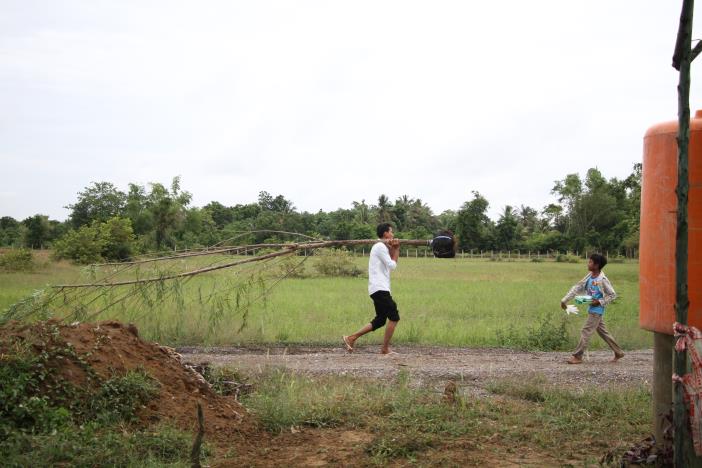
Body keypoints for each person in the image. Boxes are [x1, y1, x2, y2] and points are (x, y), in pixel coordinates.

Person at [343, 223, 401, 355]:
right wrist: (397, 250)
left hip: (378, 288)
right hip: (380, 288)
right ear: (385, 233)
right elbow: (392, 265)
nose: (392, 234)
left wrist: (393, 247)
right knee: (394, 316)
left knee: (380, 320)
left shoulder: (382, 247)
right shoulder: (380, 246)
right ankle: (385, 349)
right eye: (391, 232)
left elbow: (389, 259)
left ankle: (351, 338)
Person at [560, 253, 624, 364]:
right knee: (603, 332)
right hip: (592, 308)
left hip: (597, 310)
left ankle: (577, 356)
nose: (588, 263)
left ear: (597, 265)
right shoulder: (589, 276)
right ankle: (618, 352)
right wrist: (564, 300)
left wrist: (599, 301)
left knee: (586, 331)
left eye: (590, 262)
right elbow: (577, 288)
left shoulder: (602, 279)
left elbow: (612, 294)